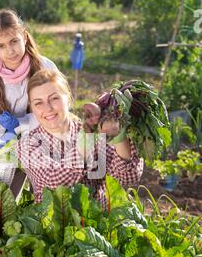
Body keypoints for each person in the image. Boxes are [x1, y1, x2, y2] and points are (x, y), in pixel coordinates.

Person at [17, 69, 144, 207]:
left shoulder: (93, 132)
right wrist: (87, 138)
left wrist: (119, 137)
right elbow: (54, 183)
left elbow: (127, 177)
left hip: (97, 223)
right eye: (38, 103)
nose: (47, 108)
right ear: (32, 107)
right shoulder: (27, 145)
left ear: (68, 98)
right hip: (54, 225)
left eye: (54, 98)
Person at [0, 9, 58, 143]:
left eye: (14, 41)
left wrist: (21, 124)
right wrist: (0, 124)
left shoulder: (45, 68)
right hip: (5, 144)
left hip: (46, 138)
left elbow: (58, 110)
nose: (10, 51)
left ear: (24, 37)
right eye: (1, 46)